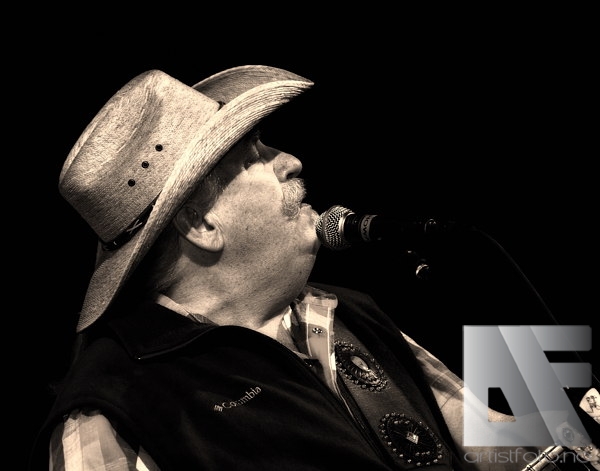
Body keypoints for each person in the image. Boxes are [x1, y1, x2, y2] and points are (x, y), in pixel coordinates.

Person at [28, 65, 596, 471]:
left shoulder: (344, 309)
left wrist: (576, 430)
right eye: (252, 155)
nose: (291, 161)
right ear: (200, 224)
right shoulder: (115, 406)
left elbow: (485, 435)